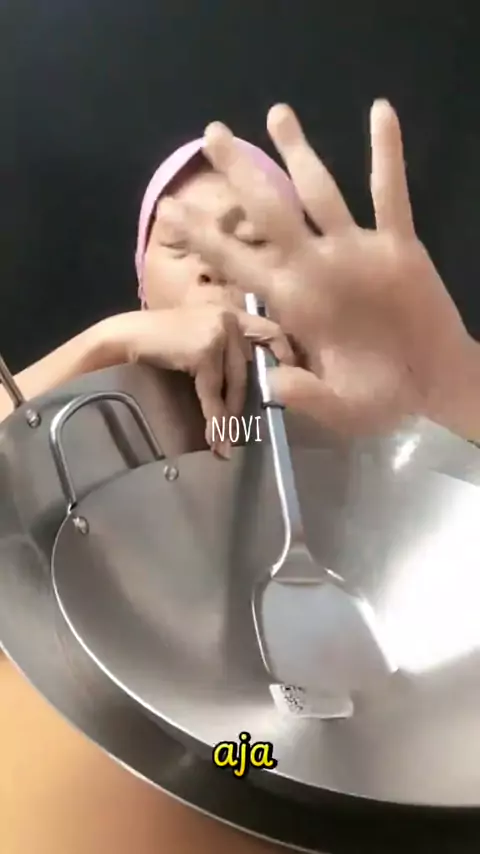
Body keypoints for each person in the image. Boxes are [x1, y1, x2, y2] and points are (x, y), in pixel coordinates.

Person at [2, 100, 480, 853]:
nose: (214, 263)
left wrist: (465, 397)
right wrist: (105, 342)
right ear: (142, 280)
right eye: (179, 242)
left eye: (252, 239)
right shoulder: (93, 421)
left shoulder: (368, 430)